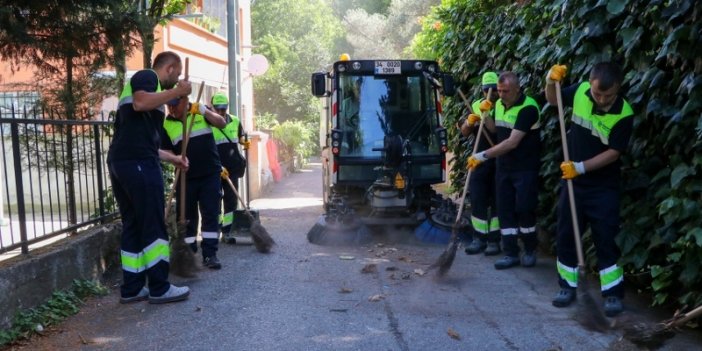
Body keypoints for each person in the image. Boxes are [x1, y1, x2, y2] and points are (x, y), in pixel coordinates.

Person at [544, 62, 634, 317]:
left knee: (606, 237)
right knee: (566, 234)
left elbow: (614, 153)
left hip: (603, 186)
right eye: (598, 94)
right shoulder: (581, 89)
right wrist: (550, 81)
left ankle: (613, 293)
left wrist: (580, 167)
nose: (602, 99)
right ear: (591, 84)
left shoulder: (624, 113)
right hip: (573, 183)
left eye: (609, 95)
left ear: (618, 88)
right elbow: (553, 101)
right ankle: (567, 287)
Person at [107, 51, 192, 304]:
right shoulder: (147, 76)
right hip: (138, 164)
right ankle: (159, 287)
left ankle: (132, 288)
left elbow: (143, 142)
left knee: (133, 223)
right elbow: (141, 102)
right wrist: (178, 92)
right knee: (153, 223)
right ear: (170, 68)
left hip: (124, 161)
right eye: (175, 75)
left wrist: (173, 158)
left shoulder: (145, 90)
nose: (175, 80)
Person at [467, 71, 541, 270]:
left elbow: (511, 142)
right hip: (504, 167)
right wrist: (484, 114)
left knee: (525, 208)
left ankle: (529, 249)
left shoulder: (529, 108)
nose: (501, 95)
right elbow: (493, 130)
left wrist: (482, 155)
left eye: (505, 91)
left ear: (517, 88)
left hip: (524, 168)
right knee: (505, 210)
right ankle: (510, 253)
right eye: (499, 91)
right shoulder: (498, 104)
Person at [161, 95, 227, 269]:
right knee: (186, 217)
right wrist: (175, 158)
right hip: (185, 176)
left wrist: (204, 111)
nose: (172, 109)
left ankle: (210, 254)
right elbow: (166, 150)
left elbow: (222, 123)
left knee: (210, 213)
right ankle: (188, 253)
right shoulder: (166, 124)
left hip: (210, 173)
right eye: (169, 105)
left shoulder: (200, 112)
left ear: (185, 101)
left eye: (175, 104)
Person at [459, 72, 501, 256]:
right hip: (479, 161)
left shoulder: (502, 106)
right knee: (477, 199)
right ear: (482, 90)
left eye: (493, 91)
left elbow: (494, 130)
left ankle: (494, 240)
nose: (490, 94)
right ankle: (478, 238)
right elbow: (464, 133)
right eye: (487, 90)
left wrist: (486, 114)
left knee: (498, 201)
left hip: (498, 159)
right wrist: (469, 122)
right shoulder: (476, 104)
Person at [209, 92, 249, 244]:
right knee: (215, 199)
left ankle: (228, 230)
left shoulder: (235, 120)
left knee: (231, 201)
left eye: (223, 109)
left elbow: (241, 136)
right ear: (212, 108)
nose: (220, 112)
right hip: (214, 168)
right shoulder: (208, 123)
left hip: (232, 168)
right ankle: (216, 230)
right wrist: (218, 166)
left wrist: (245, 141)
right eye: (217, 109)